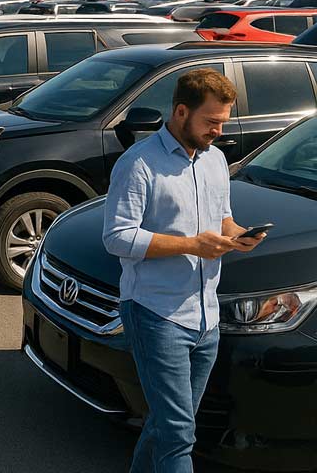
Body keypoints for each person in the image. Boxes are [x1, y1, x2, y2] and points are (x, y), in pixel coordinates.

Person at [103, 68, 264, 472]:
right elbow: (117, 238)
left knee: (165, 426)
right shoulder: (138, 164)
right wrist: (194, 245)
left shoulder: (215, 160)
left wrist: (240, 235)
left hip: (206, 317)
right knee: (179, 435)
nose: (218, 131)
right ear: (180, 112)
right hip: (156, 314)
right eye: (211, 122)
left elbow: (222, 219)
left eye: (222, 122)